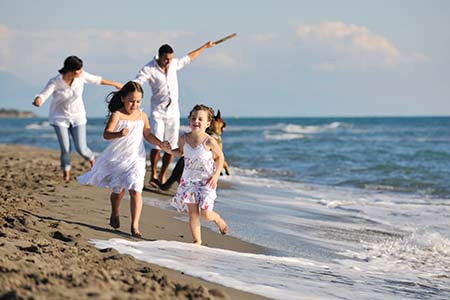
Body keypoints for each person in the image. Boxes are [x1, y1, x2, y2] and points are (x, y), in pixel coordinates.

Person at [78, 81, 170, 238]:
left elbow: (147, 134)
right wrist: (119, 134)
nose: (135, 104)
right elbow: (106, 134)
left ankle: (135, 226)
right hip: (118, 158)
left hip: (137, 158)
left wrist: (160, 143)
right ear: (123, 99)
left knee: (135, 189)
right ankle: (115, 211)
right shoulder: (117, 115)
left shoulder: (142, 115)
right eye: (131, 101)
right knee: (118, 191)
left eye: (138, 101)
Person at [133, 41, 216, 187]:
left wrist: (204, 46)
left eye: (170, 59)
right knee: (157, 143)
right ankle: (153, 173)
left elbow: (189, 57)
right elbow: (137, 82)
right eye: (166, 59)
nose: (168, 62)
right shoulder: (149, 68)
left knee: (171, 145)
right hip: (158, 111)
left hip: (173, 112)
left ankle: (163, 174)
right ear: (159, 56)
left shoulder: (173, 64)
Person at [32, 55, 123, 181]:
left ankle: (92, 159)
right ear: (71, 70)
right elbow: (45, 93)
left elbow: (97, 80)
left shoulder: (81, 76)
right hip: (60, 118)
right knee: (65, 148)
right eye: (79, 70)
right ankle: (66, 174)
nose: (81, 71)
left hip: (78, 116)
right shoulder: (55, 81)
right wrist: (39, 99)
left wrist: (115, 84)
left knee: (81, 148)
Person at [168, 104, 228, 245]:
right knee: (193, 214)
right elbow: (180, 152)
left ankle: (218, 219)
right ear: (189, 120)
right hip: (189, 181)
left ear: (208, 123)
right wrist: (169, 150)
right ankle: (197, 241)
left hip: (207, 181)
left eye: (200, 119)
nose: (196, 121)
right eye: (193, 118)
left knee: (205, 214)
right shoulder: (184, 138)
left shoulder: (209, 141)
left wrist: (216, 175)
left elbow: (220, 157)